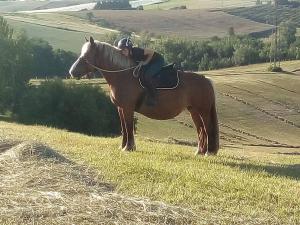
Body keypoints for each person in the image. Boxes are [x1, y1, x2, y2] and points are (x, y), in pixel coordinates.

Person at [117, 37, 165, 106]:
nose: (123, 52)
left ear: (129, 48)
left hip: (157, 61)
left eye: (124, 50)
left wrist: (145, 62)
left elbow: (151, 52)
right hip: (150, 63)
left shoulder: (137, 51)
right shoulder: (129, 55)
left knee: (146, 76)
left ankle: (154, 97)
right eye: (121, 50)